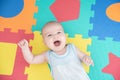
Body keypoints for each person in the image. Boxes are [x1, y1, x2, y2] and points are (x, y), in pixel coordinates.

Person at [18, 21, 94, 80]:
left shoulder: (72, 48)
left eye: (59, 32)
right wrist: (25, 48)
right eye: (49, 35)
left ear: (65, 36)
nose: (55, 36)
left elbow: (83, 56)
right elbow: (32, 59)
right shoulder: (48, 55)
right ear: (45, 43)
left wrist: (86, 58)